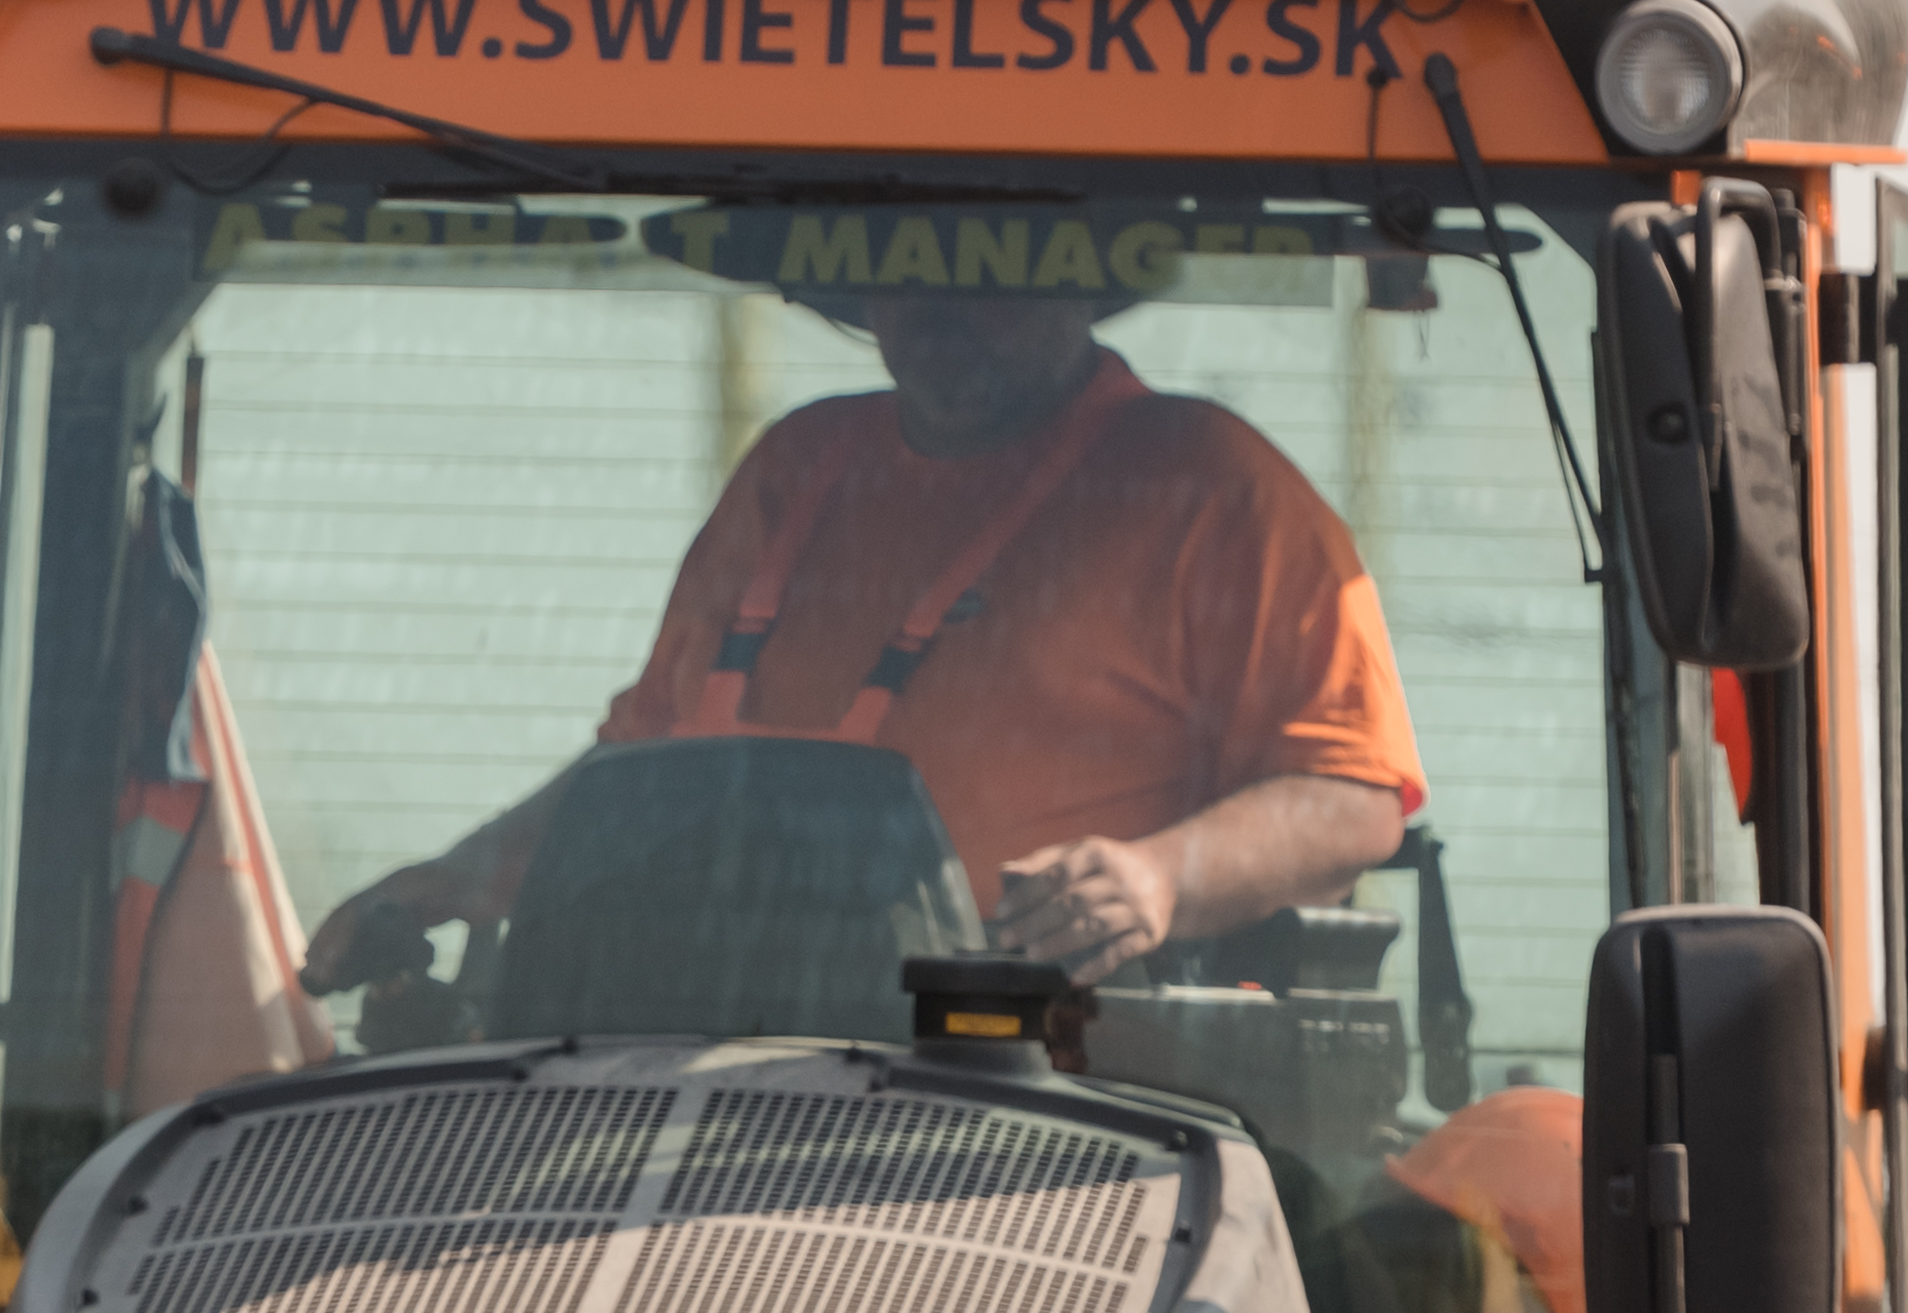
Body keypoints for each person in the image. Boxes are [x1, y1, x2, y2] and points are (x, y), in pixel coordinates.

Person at [305, 262, 1425, 990]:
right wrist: (450, 878)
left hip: (1045, 1096)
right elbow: (638, 776)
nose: (942, 313)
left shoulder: (1206, 485)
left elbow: (1351, 801)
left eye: (992, 273)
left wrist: (1154, 879)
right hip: (693, 1052)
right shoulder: (801, 465)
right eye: (906, 275)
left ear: (1081, 284)